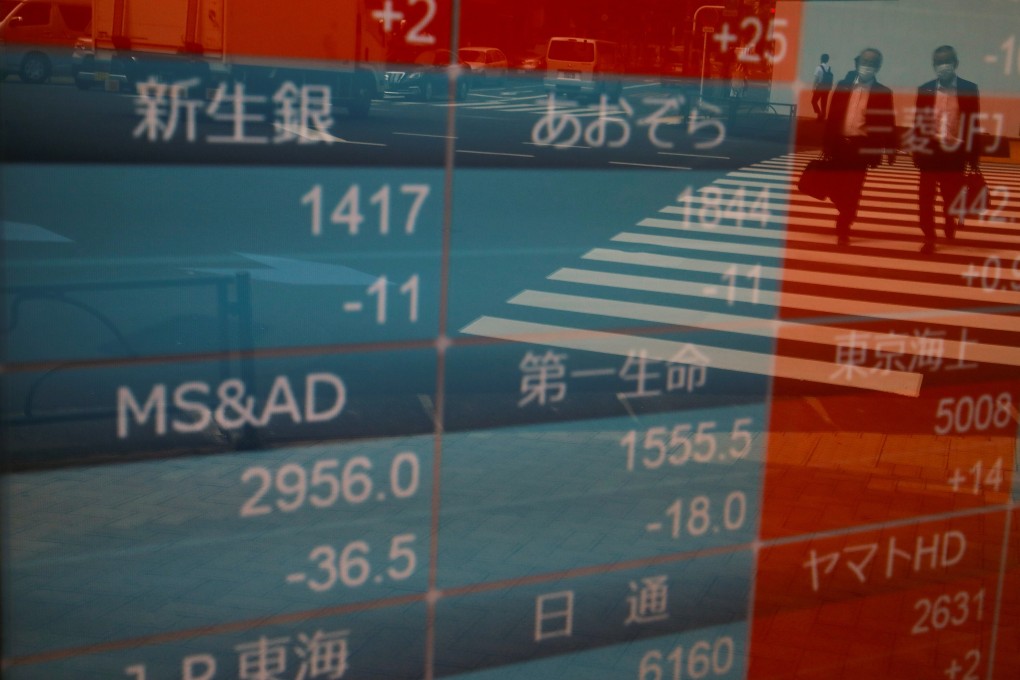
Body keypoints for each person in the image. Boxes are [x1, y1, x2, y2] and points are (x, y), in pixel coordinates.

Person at [909, 45, 981, 255]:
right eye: (939, 62)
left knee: (951, 196)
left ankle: (949, 218)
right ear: (934, 66)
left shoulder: (969, 88)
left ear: (956, 63)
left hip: (955, 153)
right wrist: (917, 149)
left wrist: (973, 156)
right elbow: (918, 122)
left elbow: (973, 123)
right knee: (925, 198)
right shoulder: (926, 89)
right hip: (930, 151)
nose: (944, 66)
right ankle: (929, 236)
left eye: (947, 61)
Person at [822, 48, 898, 247]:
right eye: (865, 62)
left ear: (878, 67)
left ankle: (844, 226)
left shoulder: (883, 93)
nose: (867, 66)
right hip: (839, 145)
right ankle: (844, 211)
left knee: (853, 190)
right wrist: (826, 144)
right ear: (857, 63)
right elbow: (832, 118)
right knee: (836, 187)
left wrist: (890, 148)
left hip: (861, 148)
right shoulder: (843, 86)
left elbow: (888, 122)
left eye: (872, 63)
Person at [811, 53, 834, 121]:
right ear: (827, 60)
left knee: (814, 101)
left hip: (820, 87)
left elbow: (816, 79)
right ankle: (822, 117)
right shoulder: (829, 68)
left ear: (821, 59)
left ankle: (819, 113)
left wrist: (813, 87)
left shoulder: (818, 68)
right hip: (827, 88)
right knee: (824, 103)